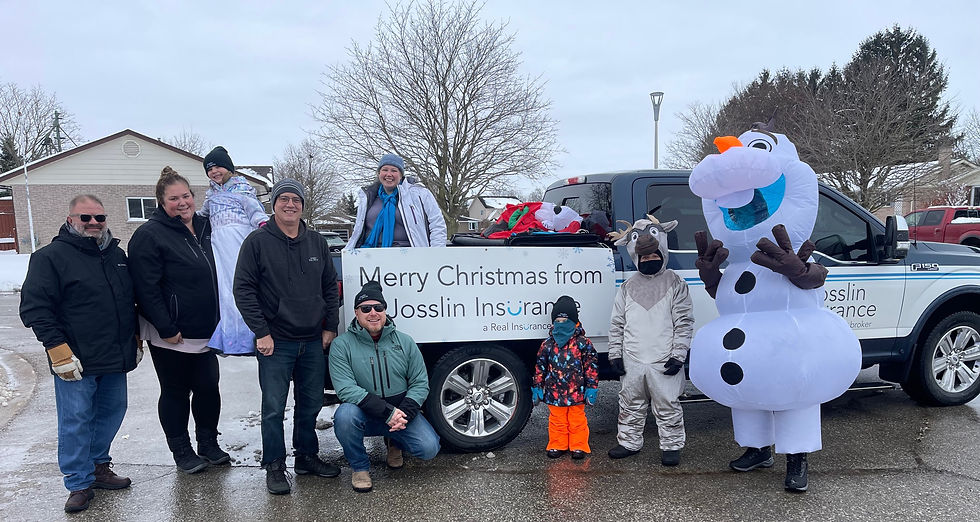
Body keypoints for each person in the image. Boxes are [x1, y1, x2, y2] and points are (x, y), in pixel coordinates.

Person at [20, 195, 139, 513]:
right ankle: (78, 482)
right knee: (75, 420)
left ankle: (99, 467)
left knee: (112, 412)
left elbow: (129, 301)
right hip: (75, 360)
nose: (93, 224)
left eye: (99, 218)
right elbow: (35, 307)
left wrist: (135, 339)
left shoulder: (117, 256)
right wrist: (57, 349)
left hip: (114, 355)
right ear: (71, 218)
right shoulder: (50, 258)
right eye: (85, 217)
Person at [234, 178, 341, 495]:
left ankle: (307, 457)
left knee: (309, 405)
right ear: (274, 204)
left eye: (296, 199)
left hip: (311, 340)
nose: (290, 204)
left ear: (303, 206)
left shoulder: (317, 242)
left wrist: (330, 327)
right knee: (273, 408)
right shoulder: (256, 242)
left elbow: (329, 288)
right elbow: (243, 290)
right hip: (275, 342)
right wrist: (261, 332)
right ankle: (275, 465)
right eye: (284, 199)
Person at [128, 167, 229, 475]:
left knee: (209, 387)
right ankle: (181, 450)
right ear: (161, 201)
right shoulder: (149, 234)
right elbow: (145, 287)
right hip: (172, 332)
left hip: (206, 328)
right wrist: (166, 326)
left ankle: (208, 443)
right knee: (175, 391)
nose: (182, 203)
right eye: (174, 198)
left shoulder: (206, 225)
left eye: (186, 196)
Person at [330, 280, 440, 493]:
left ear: (385, 311)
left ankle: (394, 442)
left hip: (399, 412)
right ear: (356, 312)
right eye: (366, 308)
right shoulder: (341, 345)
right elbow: (345, 388)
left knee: (429, 448)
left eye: (378, 308)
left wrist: (402, 414)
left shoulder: (405, 341)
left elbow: (420, 382)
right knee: (344, 417)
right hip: (364, 413)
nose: (373, 313)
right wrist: (387, 412)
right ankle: (360, 468)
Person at [606, 216, 695, 466]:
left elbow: (684, 321)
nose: (649, 260)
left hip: (664, 357)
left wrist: (679, 355)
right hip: (633, 357)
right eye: (644, 257)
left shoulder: (675, 282)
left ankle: (671, 445)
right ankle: (629, 442)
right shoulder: (627, 286)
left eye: (654, 256)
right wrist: (615, 353)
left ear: (662, 252)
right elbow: (617, 322)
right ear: (636, 257)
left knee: (667, 403)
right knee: (630, 403)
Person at [199, 146, 268, 355]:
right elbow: (201, 216)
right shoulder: (211, 196)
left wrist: (265, 228)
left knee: (242, 288)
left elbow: (256, 213)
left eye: (218, 166)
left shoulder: (243, 191)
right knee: (225, 291)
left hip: (239, 242)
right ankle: (231, 339)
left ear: (229, 168)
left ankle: (249, 337)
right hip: (219, 247)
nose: (214, 172)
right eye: (210, 169)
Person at [532, 295, 599, 460]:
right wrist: (537, 386)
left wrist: (592, 387)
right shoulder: (547, 344)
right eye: (558, 320)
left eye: (565, 320)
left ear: (575, 322)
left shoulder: (583, 343)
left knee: (577, 420)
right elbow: (540, 367)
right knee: (557, 420)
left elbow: (591, 367)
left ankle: (578, 446)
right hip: (554, 392)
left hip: (576, 392)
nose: (561, 324)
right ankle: (557, 444)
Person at [345, 153, 447, 249]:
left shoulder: (420, 194)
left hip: (411, 256)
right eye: (385, 170)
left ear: (401, 175)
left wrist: (435, 254)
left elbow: (437, 225)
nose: (389, 174)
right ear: (379, 173)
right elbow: (358, 231)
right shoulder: (367, 197)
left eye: (394, 171)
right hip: (372, 255)